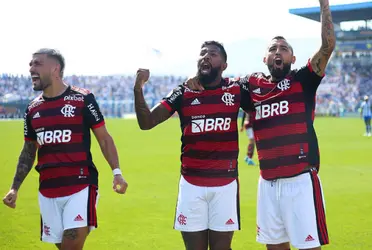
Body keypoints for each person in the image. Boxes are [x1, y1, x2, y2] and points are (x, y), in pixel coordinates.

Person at [186, 1, 335, 249]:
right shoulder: (251, 86)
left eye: (284, 48)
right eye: (273, 48)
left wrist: (324, 4)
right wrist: (196, 77)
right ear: (265, 57)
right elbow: (216, 82)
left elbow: (328, 46)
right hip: (267, 184)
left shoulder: (303, 80)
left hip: (300, 182)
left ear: (293, 57)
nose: (279, 52)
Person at [2, 48, 128, 250]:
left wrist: (117, 172)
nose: (31, 68)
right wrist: (14, 188)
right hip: (48, 190)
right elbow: (28, 151)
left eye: (37, 64)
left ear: (55, 69)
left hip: (80, 185)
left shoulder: (82, 99)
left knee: (71, 246)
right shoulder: (32, 109)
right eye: (30, 64)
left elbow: (104, 139)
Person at [133, 41, 252, 250]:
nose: (206, 56)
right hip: (191, 185)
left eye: (213, 54)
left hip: (225, 185)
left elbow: (265, 95)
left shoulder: (235, 89)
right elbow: (147, 122)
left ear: (224, 65)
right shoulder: (183, 92)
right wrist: (138, 89)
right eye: (203, 53)